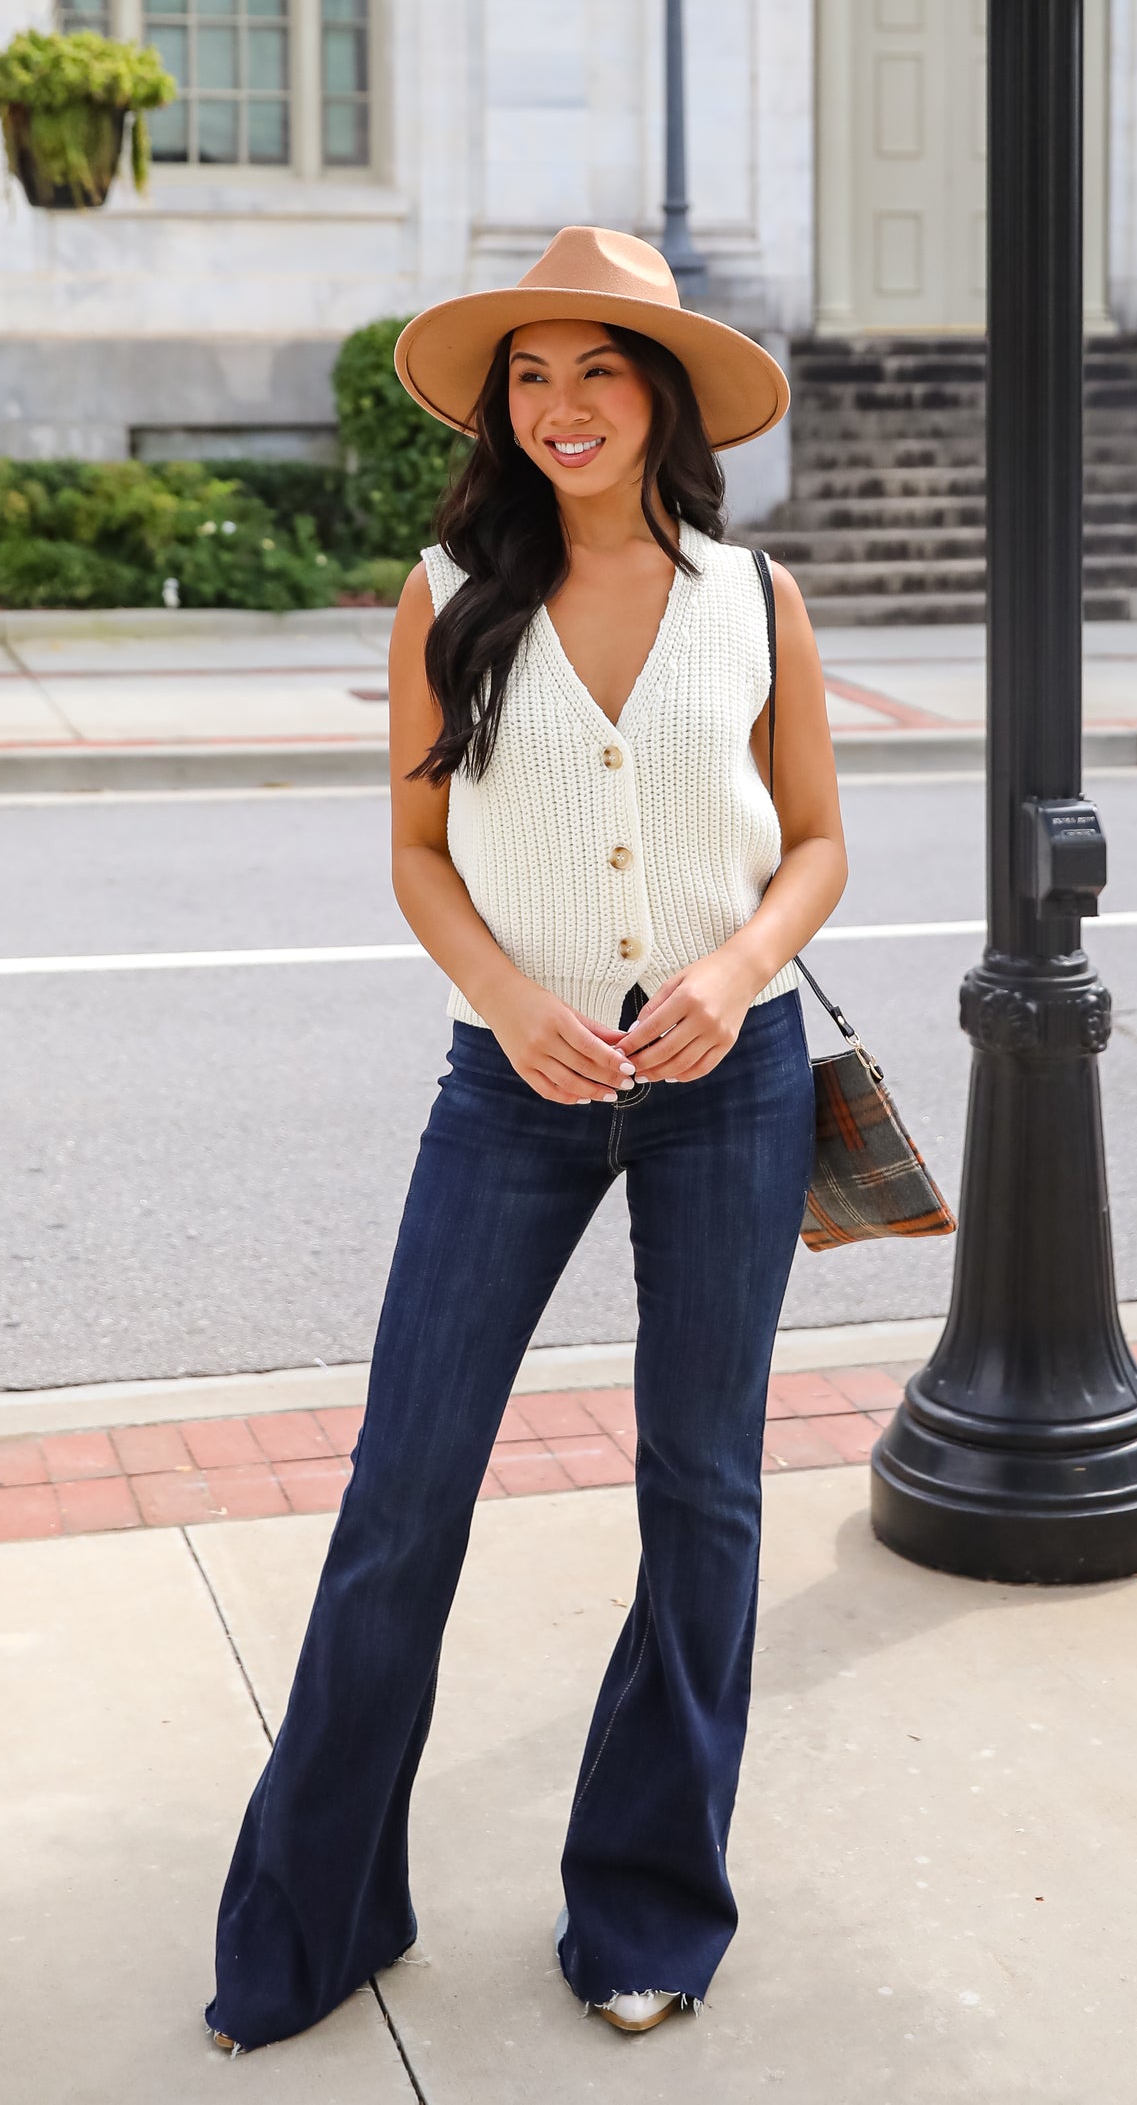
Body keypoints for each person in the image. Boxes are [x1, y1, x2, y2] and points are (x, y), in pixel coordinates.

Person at [205, 224, 847, 2052]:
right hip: (515, 1093)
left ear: (661, 399)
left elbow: (815, 839)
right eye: (534, 378)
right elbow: (417, 854)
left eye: (600, 371)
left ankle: (645, 1908)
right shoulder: (445, 593)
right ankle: (316, 1913)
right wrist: (503, 998)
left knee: (701, 1495)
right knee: (402, 1497)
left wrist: (731, 972)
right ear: (505, 410)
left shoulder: (756, 596)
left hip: (729, 1083)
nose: (563, 407)